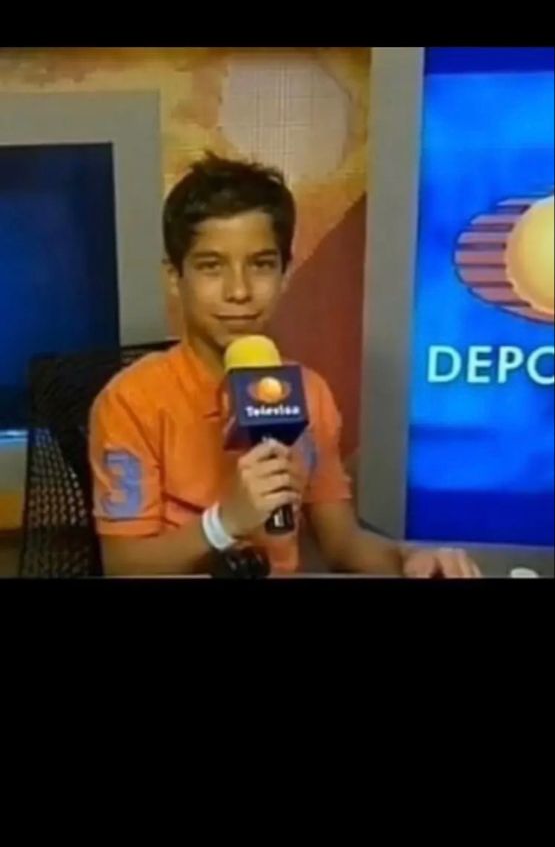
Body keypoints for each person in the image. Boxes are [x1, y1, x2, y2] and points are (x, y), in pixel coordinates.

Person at [89, 154, 481, 578]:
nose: (238, 291)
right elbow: (122, 565)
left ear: (285, 273)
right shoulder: (130, 401)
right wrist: (224, 523)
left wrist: (408, 559)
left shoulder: (309, 393)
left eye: (260, 265)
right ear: (174, 276)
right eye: (211, 267)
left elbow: (343, 544)